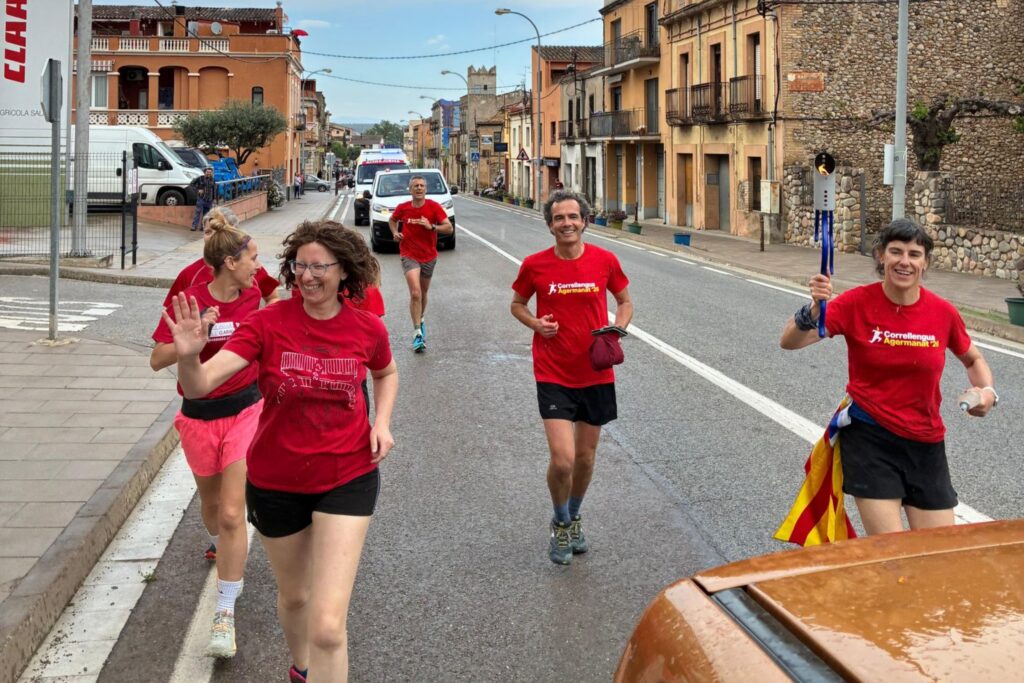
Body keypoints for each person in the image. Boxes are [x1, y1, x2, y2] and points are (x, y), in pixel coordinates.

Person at [161, 219, 397, 683]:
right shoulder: (267, 323)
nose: (306, 277)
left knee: (329, 627)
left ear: (343, 272)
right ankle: (301, 668)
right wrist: (189, 354)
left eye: (318, 268)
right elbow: (203, 383)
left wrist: (382, 423)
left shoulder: (366, 328)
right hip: (275, 482)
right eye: (298, 267)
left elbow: (385, 373)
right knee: (295, 599)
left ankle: (317, 661)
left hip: (347, 475)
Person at [779, 218, 997, 536]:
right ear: (881, 256)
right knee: (891, 553)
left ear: (925, 262)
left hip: (926, 441)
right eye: (896, 252)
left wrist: (986, 390)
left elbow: (973, 358)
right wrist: (814, 309)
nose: (904, 261)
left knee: (937, 553)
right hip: (870, 438)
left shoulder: (943, 312)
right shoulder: (856, 303)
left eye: (914, 254)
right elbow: (789, 341)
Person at [150, 210, 265, 658]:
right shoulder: (191, 295)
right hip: (198, 415)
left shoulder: (257, 295)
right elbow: (157, 358)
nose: (259, 265)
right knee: (213, 507)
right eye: (253, 258)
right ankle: (224, 548)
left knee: (235, 513)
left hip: (245, 410)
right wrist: (186, 345)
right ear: (230, 262)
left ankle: (224, 612)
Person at [510, 189, 633, 565]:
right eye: (559, 218)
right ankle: (561, 522)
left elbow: (624, 301)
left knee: (585, 458)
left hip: (596, 371)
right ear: (550, 225)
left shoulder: (605, 260)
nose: (567, 223)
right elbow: (517, 304)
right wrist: (535, 323)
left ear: (585, 222)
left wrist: (617, 330)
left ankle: (574, 514)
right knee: (562, 459)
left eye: (573, 217)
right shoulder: (535, 265)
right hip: (553, 370)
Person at [164, 208, 281, 312]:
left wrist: (258, 323)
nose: (213, 237)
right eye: (208, 232)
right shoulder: (189, 274)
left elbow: (273, 298)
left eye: (221, 232)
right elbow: (171, 317)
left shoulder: (252, 270)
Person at [388, 175, 453, 352]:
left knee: (423, 292)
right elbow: (392, 220)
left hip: (429, 255)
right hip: (409, 254)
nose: (418, 188)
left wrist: (431, 227)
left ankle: (421, 318)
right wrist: (395, 232)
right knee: (415, 292)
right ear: (410, 189)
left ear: (425, 189)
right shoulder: (403, 208)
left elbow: (449, 227)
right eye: (415, 186)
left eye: (421, 186)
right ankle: (417, 333)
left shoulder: (433, 207)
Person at [191, 167, 217, 231]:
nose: (209, 173)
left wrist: (214, 198)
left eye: (210, 172)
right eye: (207, 172)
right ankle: (194, 226)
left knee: (206, 215)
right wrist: (198, 190)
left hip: (209, 200)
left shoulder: (213, 179)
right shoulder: (200, 178)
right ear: (205, 172)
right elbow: (192, 184)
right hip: (201, 199)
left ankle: (203, 227)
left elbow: (214, 189)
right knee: (198, 213)